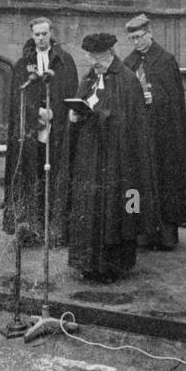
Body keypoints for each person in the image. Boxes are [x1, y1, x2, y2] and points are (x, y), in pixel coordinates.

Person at [55, 32, 159, 282]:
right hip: (88, 157)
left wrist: (99, 115)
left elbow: (129, 124)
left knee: (111, 211)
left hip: (114, 160)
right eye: (90, 57)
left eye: (98, 57)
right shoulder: (90, 77)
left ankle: (111, 267)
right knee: (87, 207)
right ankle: (86, 264)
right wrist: (74, 116)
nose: (94, 62)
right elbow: (80, 102)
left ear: (110, 54)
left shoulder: (126, 80)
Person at [123, 13, 186, 249]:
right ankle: (143, 235)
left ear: (150, 33)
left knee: (165, 184)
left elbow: (174, 99)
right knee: (141, 185)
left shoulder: (165, 60)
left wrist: (154, 98)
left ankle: (166, 237)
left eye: (139, 37)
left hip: (163, 135)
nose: (136, 42)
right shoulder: (129, 63)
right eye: (132, 38)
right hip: (140, 135)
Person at [2, 16, 77, 245]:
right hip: (33, 134)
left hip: (58, 130)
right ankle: (32, 229)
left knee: (55, 176)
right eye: (37, 34)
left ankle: (56, 230)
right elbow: (17, 98)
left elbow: (71, 91)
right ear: (32, 35)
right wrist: (37, 113)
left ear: (51, 33)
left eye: (45, 33)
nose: (41, 38)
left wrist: (57, 111)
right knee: (32, 177)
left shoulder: (64, 61)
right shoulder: (23, 64)